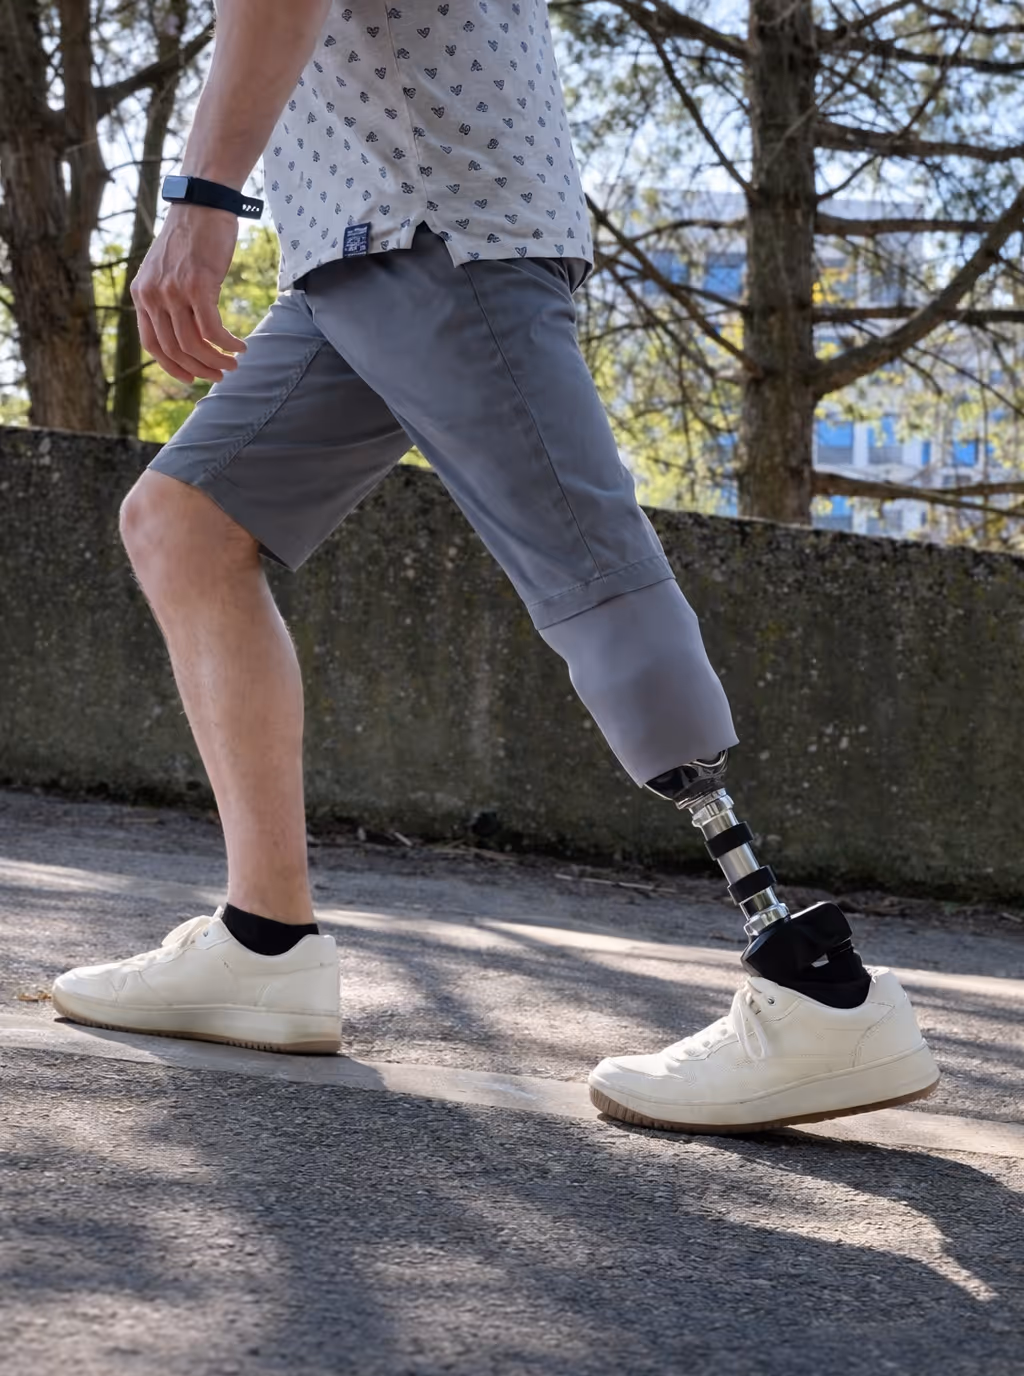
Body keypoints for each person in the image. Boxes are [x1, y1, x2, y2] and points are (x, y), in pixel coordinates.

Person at [51, 0, 940, 1133]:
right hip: (353, 246)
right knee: (183, 523)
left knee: (591, 572)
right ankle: (263, 944)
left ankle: (824, 997)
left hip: (437, 223)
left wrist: (204, 198)